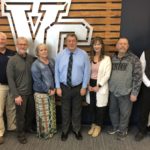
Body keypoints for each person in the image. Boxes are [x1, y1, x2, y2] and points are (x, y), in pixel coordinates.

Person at [55, 33, 90, 141]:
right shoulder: (60, 55)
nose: (71, 43)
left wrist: (84, 87)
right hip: (64, 87)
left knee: (77, 110)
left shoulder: (83, 54)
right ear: (66, 42)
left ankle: (76, 130)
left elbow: (87, 72)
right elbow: (56, 72)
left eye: (73, 41)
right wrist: (57, 87)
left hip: (78, 87)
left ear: (76, 42)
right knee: (65, 110)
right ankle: (65, 131)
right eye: (69, 41)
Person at [108, 37, 142, 140]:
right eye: (120, 43)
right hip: (113, 91)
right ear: (116, 46)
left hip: (126, 92)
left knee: (125, 113)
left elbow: (138, 77)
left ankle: (123, 130)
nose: (122, 45)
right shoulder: (111, 58)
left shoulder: (134, 59)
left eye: (125, 44)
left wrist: (134, 93)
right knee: (112, 111)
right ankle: (115, 127)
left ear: (128, 46)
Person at [6, 37, 35, 144]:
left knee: (31, 113)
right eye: (20, 44)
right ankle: (20, 134)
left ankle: (27, 128)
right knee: (20, 116)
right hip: (20, 94)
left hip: (31, 92)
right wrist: (16, 95)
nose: (22, 46)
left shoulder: (31, 58)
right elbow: (10, 79)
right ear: (17, 45)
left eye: (24, 44)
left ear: (27, 46)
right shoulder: (12, 60)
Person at [86, 37, 111, 137]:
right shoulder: (89, 58)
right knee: (92, 106)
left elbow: (107, 74)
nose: (96, 46)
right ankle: (93, 124)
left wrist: (99, 85)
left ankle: (98, 126)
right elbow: (86, 72)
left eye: (99, 44)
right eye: (95, 44)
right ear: (92, 46)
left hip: (100, 84)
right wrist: (87, 84)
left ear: (102, 46)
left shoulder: (106, 58)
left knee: (100, 107)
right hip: (90, 84)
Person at [31, 44, 57, 139]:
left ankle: (51, 131)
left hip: (52, 92)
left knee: (51, 112)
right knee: (43, 115)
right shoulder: (35, 65)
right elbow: (37, 81)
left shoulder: (51, 61)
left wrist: (54, 88)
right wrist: (47, 90)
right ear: (37, 53)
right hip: (41, 93)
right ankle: (44, 134)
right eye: (41, 50)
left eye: (45, 49)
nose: (44, 51)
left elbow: (55, 75)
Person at [0, 32, 16, 144]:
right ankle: (0, 132)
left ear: (6, 41)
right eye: (0, 39)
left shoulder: (12, 53)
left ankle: (12, 127)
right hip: (0, 86)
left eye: (3, 39)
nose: (1, 41)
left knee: (11, 108)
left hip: (12, 85)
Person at [135, 50, 150, 141]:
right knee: (144, 109)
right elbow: (141, 70)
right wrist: (148, 83)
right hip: (147, 86)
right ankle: (142, 130)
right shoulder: (146, 52)